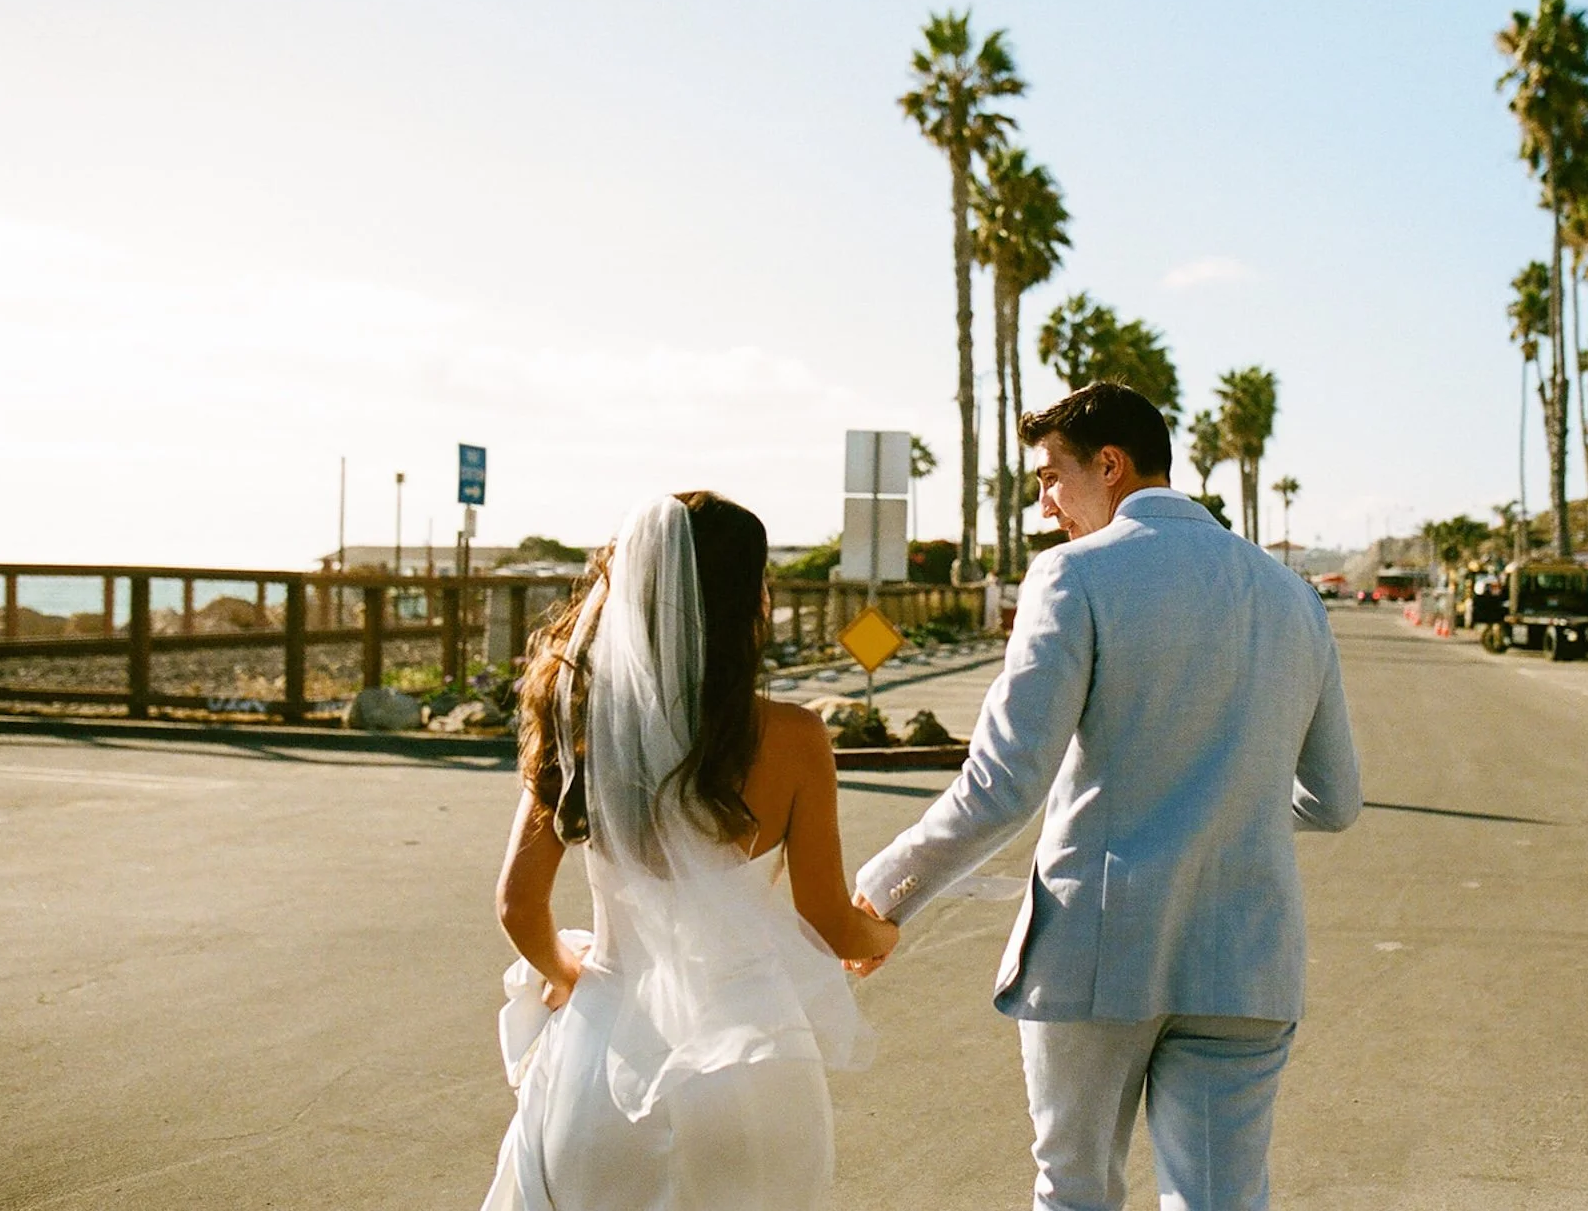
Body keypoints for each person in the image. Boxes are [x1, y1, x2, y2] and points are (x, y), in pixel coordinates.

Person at [855, 383, 1363, 1211]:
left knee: (1077, 1190)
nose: (1046, 504)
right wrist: (1230, 801)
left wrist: (884, 892)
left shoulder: (1072, 577)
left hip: (1098, 957)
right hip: (1245, 960)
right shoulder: (1292, 596)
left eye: (1052, 477)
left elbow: (1002, 785)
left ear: (1112, 465)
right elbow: (1335, 798)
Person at [483, 491, 898, 1211]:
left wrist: (568, 971)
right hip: (753, 1064)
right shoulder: (796, 737)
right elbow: (831, 919)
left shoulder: (579, 728)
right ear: (746, 600)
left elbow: (518, 903)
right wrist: (882, 929)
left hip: (604, 1065)